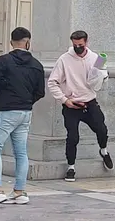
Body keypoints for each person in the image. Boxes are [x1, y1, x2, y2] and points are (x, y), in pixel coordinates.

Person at [0, 27, 45, 208]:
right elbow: (40, 91)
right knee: (21, 152)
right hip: (25, 112)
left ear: (11, 42)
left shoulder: (3, 61)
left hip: (6, 110)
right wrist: (27, 100)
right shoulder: (37, 65)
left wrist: (1, 96)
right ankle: (19, 191)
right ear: (28, 42)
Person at [47, 30, 111, 181]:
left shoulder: (96, 58)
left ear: (86, 43)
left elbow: (103, 78)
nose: (77, 48)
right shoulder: (64, 59)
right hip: (71, 103)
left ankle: (104, 150)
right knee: (73, 136)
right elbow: (52, 82)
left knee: (101, 129)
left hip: (90, 101)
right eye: (75, 45)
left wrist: (103, 76)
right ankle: (71, 167)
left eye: (80, 45)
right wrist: (64, 100)